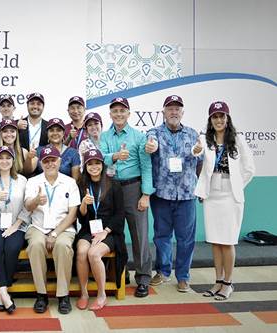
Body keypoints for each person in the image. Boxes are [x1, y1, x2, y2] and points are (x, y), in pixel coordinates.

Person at [194, 101, 255, 300]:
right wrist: (195, 151)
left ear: (227, 118)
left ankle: (228, 283)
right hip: (212, 195)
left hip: (231, 194)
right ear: (210, 120)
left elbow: (249, 169)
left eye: (222, 116)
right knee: (215, 241)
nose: (218, 120)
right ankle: (217, 281)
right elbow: (195, 153)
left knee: (227, 242)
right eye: (215, 117)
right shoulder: (206, 139)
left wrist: (236, 185)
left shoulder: (237, 139)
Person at [145, 95, 202, 292]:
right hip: (161, 195)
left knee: (186, 238)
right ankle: (163, 271)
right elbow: (149, 144)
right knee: (162, 236)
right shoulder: (154, 133)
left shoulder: (193, 134)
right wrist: (150, 146)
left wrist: (195, 184)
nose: (174, 112)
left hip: (186, 195)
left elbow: (200, 161)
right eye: (170, 108)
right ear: (163, 112)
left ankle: (183, 276)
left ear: (182, 112)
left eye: (177, 108)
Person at [100, 97, 154, 298]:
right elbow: (101, 156)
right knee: (113, 232)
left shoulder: (139, 137)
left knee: (139, 234)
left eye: (122, 111)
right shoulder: (105, 136)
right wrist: (115, 156)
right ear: (110, 114)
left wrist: (146, 194)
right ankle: (120, 273)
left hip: (133, 187)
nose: (118, 114)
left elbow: (146, 166)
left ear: (129, 113)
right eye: (115, 111)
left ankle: (143, 278)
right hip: (111, 189)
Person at [24, 145, 80, 314]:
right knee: (35, 246)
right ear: (41, 163)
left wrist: (55, 233)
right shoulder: (33, 181)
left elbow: (72, 215)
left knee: (63, 246)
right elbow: (27, 206)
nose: (50, 164)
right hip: (38, 227)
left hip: (63, 228)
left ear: (59, 161)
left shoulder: (70, 182)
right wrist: (36, 201)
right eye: (46, 161)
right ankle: (41, 295)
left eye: (53, 160)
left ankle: (63, 295)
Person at [75, 149, 126, 311]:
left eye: (97, 163)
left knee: (93, 253)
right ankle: (84, 293)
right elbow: (81, 218)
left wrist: (105, 231)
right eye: (90, 164)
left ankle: (101, 295)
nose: (94, 166)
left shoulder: (114, 184)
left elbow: (120, 214)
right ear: (86, 166)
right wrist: (83, 204)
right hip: (88, 229)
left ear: (102, 165)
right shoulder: (81, 185)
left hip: (110, 231)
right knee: (82, 251)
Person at [0, 146, 29, 314]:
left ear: (13, 160)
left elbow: (27, 207)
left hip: (17, 224)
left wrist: (16, 226)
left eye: (8, 158)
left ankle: (1, 294)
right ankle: (4, 292)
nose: (4, 161)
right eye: (0, 158)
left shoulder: (23, 180)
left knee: (12, 247)